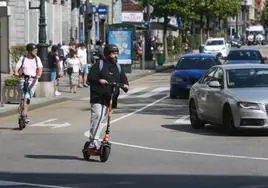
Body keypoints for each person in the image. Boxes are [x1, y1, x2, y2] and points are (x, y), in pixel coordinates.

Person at [87, 44, 129, 150]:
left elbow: (124, 80)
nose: (115, 56)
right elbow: (90, 78)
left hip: (110, 97)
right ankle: (93, 141)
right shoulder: (99, 64)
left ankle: (94, 139)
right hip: (98, 96)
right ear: (107, 54)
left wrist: (125, 86)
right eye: (113, 53)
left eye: (116, 53)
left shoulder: (118, 67)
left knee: (103, 119)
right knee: (98, 116)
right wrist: (99, 80)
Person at [14, 43, 43, 122]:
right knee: (25, 95)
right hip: (24, 79)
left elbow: (40, 68)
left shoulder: (37, 59)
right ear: (30, 51)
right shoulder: (23, 58)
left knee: (28, 96)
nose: (36, 51)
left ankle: (24, 113)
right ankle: (24, 114)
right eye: (34, 50)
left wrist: (38, 75)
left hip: (33, 80)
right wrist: (16, 72)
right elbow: (17, 66)